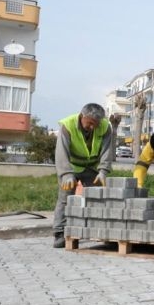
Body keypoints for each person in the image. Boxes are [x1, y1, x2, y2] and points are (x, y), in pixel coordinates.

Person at [52, 103, 113, 248]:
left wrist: (103, 171)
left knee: (100, 198)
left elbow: (107, 150)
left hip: (91, 168)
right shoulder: (68, 125)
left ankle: (100, 231)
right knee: (65, 198)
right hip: (71, 167)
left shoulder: (105, 127)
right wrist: (66, 173)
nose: (93, 127)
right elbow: (61, 151)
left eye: (95, 124)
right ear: (82, 116)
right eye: (90, 123)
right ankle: (60, 233)